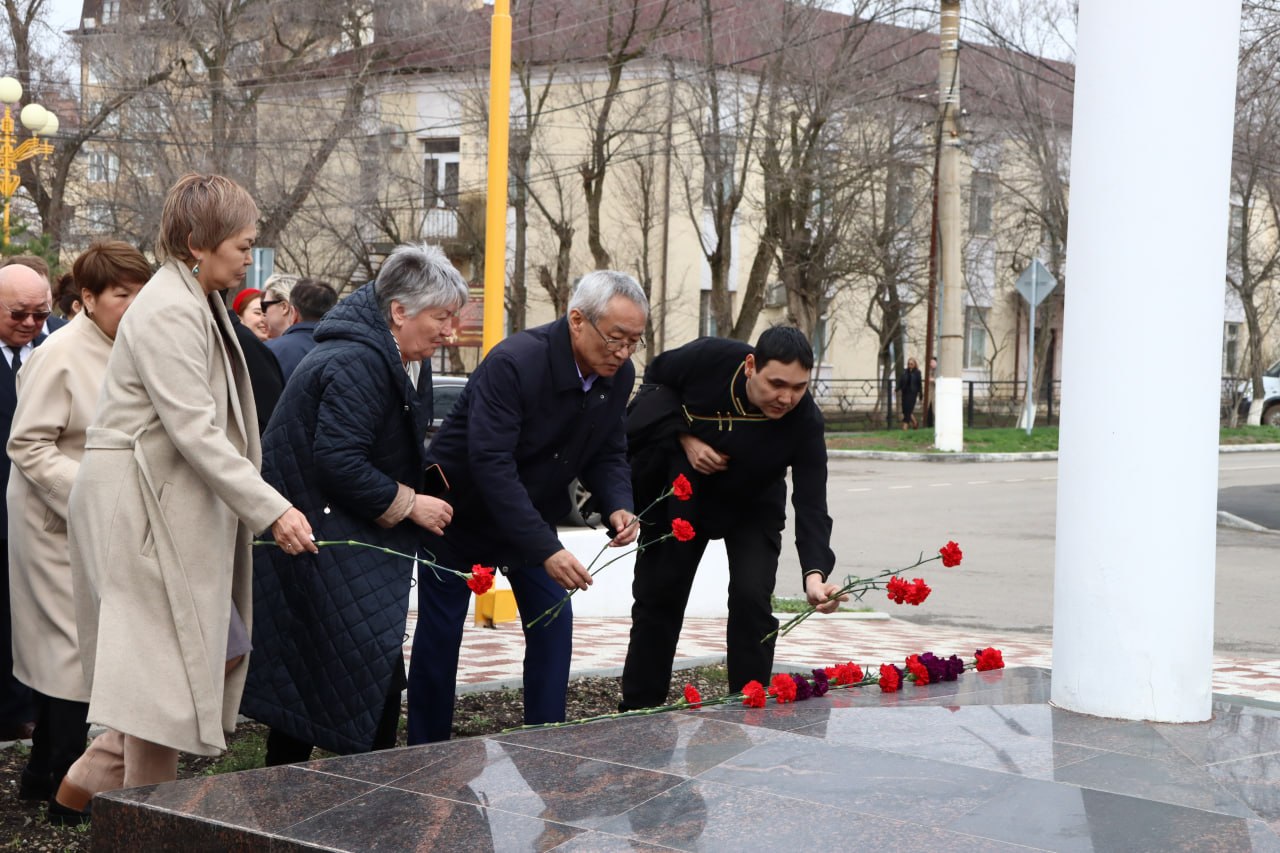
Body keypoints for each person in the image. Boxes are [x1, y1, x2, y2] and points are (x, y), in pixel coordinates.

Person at [53, 174, 314, 820]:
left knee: (170, 675)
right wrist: (272, 508)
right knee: (158, 690)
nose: (249, 255)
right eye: (242, 243)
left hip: (160, 504)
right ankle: (144, 824)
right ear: (198, 242)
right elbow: (193, 427)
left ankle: (83, 796)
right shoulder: (171, 307)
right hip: (138, 511)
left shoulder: (191, 297)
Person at [241, 244, 464, 763]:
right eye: (442, 317)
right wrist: (412, 505)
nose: (450, 331)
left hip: (332, 544)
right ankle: (352, 803)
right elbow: (339, 461)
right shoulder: (359, 360)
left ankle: (300, 803)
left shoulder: (394, 354)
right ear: (400, 312)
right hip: (322, 541)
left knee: (328, 684)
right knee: (363, 683)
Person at [407, 270, 647, 744]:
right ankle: (426, 751)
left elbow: (608, 450)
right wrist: (545, 548)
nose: (622, 353)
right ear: (577, 320)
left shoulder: (617, 376)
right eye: (615, 339)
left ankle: (545, 739)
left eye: (634, 342)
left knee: (553, 616)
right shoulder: (515, 363)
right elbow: (491, 464)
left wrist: (619, 504)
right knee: (440, 635)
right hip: (458, 512)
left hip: (527, 515)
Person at [619, 326, 843, 710]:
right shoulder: (709, 358)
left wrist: (815, 575)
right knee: (660, 596)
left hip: (753, 505)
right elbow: (656, 381)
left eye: (799, 387)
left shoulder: (805, 420)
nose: (786, 397)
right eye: (776, 383)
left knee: (752, 599)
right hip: (683, 494)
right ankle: (640, 707)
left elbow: (811, 501)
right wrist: (683, 438)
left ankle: (750, 703)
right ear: (751, 365)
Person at [5, 241, 150, 818]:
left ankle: (46, 776)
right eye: (122, 294)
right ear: (87, 299)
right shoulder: (60, 352)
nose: (134, 306)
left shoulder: (131, 346)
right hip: (56, 524)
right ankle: (69, 790)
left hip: (108, 523)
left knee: (85, 656)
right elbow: (27, 444)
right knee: (70, 659)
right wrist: (96, 492)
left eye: (142, 293)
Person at [0, 263, 57, 742]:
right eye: (19, 313)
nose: (31, 324)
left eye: (41, 314)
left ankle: (36, 708)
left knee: (40, 617)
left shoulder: (57, 346)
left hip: (48, 511)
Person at [265, 278, 338, 381]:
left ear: (293, 312)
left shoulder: (269, 351)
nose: (263, 313)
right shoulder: (350, 351)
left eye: (264, 306)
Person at [260, 273, 301, 340]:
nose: (262, 316)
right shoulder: (317, 342)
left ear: (284, 307)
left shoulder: (277, 348)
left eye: (264, 306)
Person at [900, 357, 922, 430]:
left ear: (915, 364)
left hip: (912, 393)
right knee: (905, 410)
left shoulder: (917, 372)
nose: (910, 365)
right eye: (909, 364)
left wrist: (920, 394)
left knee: (908, 409)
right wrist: (897, 388)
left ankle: (905, 427)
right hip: (905, 392)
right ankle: (915, 422)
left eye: (911, 364)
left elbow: (919, 384)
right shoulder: (905, 372)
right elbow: (901, 381)